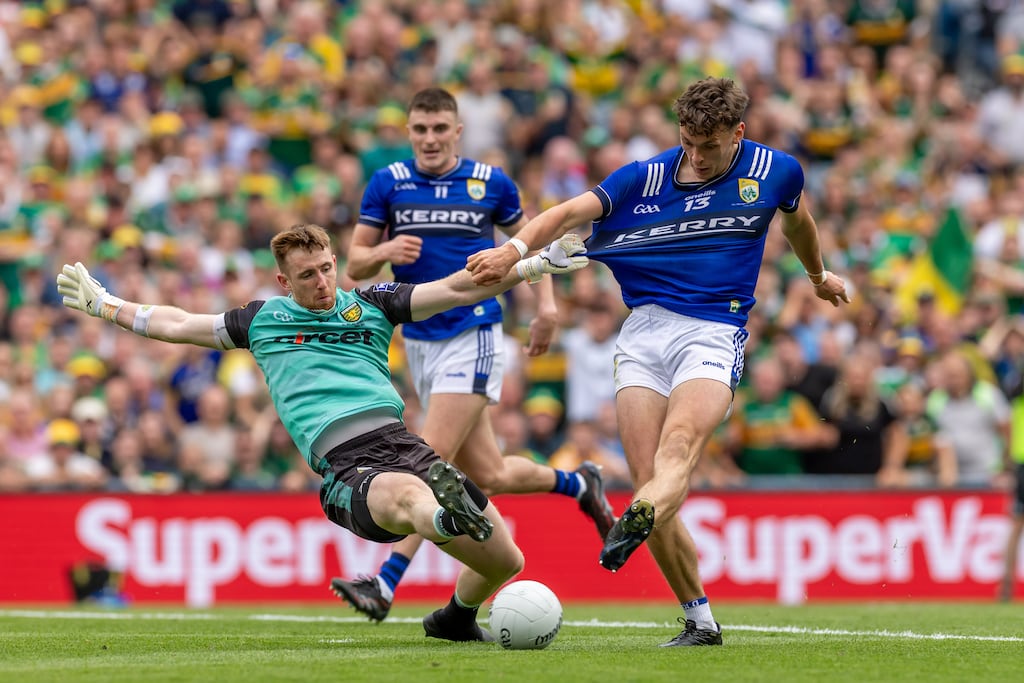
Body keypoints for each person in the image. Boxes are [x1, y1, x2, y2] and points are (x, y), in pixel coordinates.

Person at [56, 223, 589, 642]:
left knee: (507, 560)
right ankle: (446, 517)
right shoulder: (261, 321)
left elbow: (456, 287)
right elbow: (176, 323)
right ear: (284, 282)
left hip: (405, 444)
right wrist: (105, 305)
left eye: (327, 268)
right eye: (307, 275)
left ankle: (454, 617)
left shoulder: (373, 304)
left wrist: (534, 265)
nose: (322, 282)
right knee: (410, 496)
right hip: (349, 465)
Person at [468, 77, 851, 647]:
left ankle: (639, 514)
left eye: (709, 146)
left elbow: (798, 223)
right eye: (688, 143)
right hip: (643, 333)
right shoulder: (643, 177)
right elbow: (567, 213)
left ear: (738, 133)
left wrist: (817, 277)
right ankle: (699, 617)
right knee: (650, 477)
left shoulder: (777, 171)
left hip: (714, 331)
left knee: (679, 449)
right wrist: (512, 251)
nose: (696, 157)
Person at [335, 87, 615, 622]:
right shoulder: (388, 182)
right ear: (409, 132)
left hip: (475, 331)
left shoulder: (490, 182)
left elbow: (527, 244)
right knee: (492, 473)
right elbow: (354, 264)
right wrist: (387, 250)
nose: (430, 139)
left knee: (428, 456)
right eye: (420, 129)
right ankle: (580, 483)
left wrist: (546, 307)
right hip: (420, 341)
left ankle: (384, 582)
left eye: (440, 128)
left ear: (457, 131)